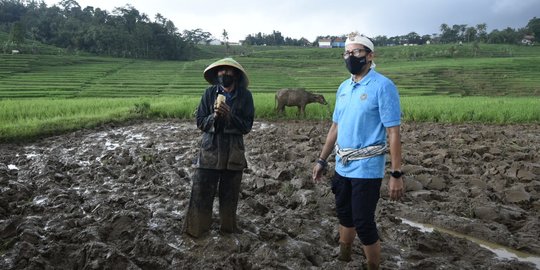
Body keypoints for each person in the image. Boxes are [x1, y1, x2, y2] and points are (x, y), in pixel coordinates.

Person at [312, 32, 404, 269]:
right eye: (346, 52)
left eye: (356, 52)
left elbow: (393, 132)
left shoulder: (383, 86)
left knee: (363, 222)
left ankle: (373, 266)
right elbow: (335, 127)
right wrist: (322, 160)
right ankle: (344, 258)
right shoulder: (344, 87)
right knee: (344, 215)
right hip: (343, 165)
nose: (350, 56)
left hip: (367, 168)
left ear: (370, 56)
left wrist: (396, 174)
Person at [184, 58, 255, 238]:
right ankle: (197, 231)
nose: (224, 74)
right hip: (210, 152)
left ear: (236, 75)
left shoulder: (245, 96)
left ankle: (228, 232)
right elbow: (200, 122)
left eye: (229, 71)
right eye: (221, 71)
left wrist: (230, 115)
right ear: (216, 75)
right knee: (200, 193)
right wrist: (214, 116)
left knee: (230, 197)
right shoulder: (209, 94)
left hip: (233, 154)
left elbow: (246, 126)